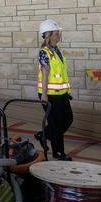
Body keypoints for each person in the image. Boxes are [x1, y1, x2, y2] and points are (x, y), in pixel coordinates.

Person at [37, 19, 73, 160]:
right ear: (48, 35)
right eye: (56, 33)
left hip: (62, 94)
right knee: (56, 125)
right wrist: (44, 95)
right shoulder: (44, 52)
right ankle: (58, 153)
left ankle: (44, 134)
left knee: (68, 119)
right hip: (50, 95)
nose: (59, 35)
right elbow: (45, 73)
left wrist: (66, 91)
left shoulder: (56, 50)